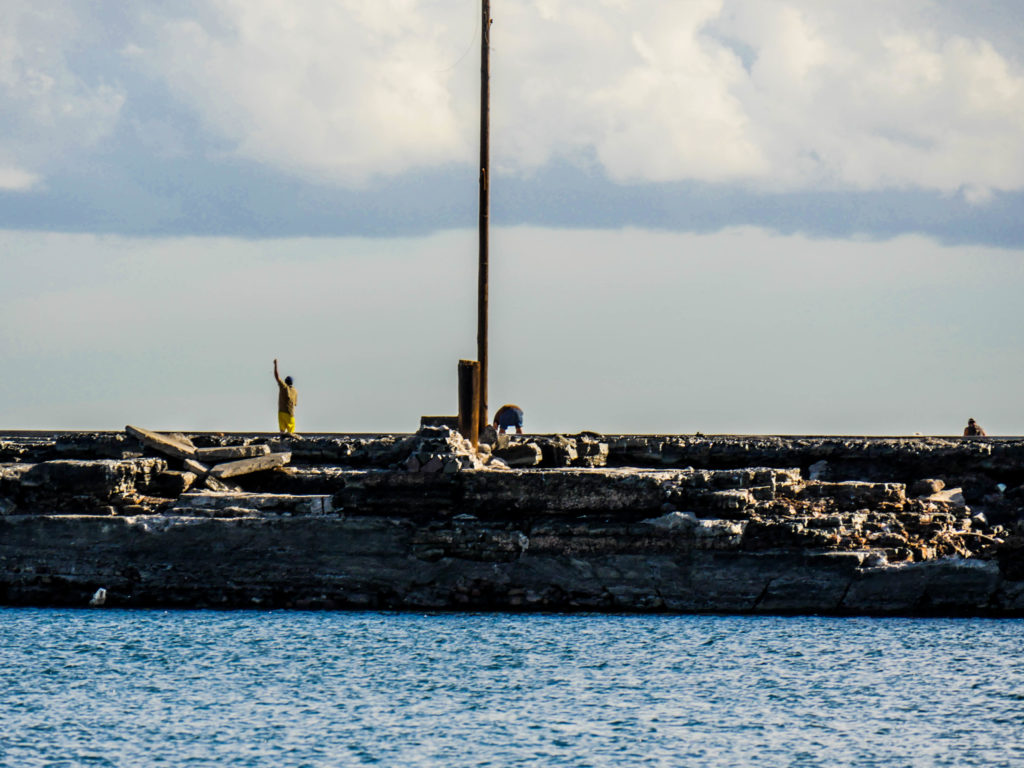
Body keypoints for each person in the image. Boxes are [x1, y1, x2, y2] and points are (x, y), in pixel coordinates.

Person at [273, 359, 298, 434]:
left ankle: (281, 444)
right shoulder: (295, 391)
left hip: (281, 412)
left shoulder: (283, 386)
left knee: (282, 432)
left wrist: (275, 365)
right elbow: (295, 404)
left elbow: (277, 376)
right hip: (290, 414)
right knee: (291, 433)